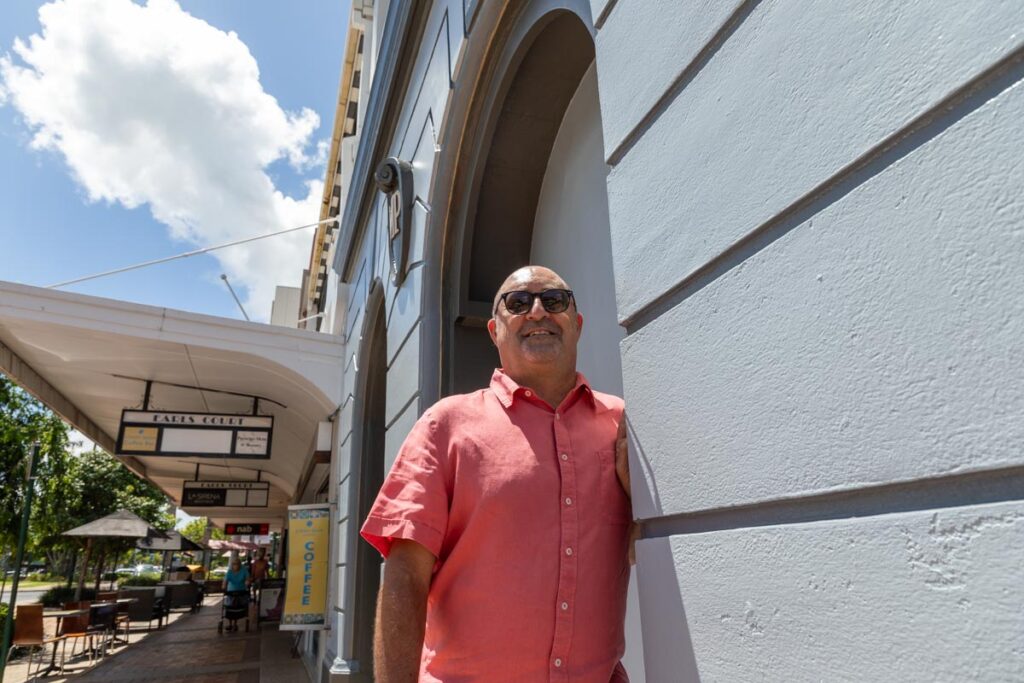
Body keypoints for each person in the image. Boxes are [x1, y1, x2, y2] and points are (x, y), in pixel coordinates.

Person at [361, 265, 634, 682]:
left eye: (555, 300)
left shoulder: (622, 426)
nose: (538, 311)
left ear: (576, 325)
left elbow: (655, 546)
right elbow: (405, 577)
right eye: (518, 303)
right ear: (494, 331)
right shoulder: (446, 425)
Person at [222, 558, 250, 632]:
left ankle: (235, 624)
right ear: (232, 565)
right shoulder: (229, 572)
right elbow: (225, 581)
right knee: (230, 607)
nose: (236, 565)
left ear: (240, 564)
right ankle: (230, 624)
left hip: (241, 592)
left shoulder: (244, 571)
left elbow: (248, 579)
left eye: (237, 564)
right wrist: (223, 587)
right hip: (231, 592)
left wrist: (247, 582)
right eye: (234, 564)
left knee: (238, 607)